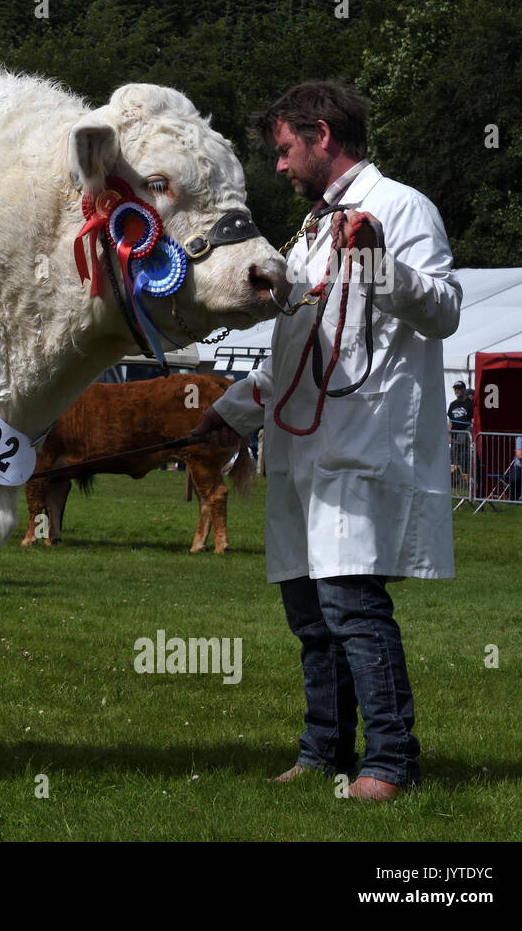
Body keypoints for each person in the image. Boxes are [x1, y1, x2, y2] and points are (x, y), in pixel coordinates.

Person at [192, 81, 461, 803]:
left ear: (321, 135)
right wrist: (233, 410)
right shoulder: (311, 229)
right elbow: (299, 355)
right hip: (304, 446)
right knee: (311, 616)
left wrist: (377, 259)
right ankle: (323, 752)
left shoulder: (400, 207)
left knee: (352, 606)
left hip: (362, 438)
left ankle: (392, 761)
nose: (280, 165)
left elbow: (444, 310)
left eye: (285, 149)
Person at [447, 380, 473, 477]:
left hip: (464, 434)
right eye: (455, 389)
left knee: (463, 457)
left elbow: (473, 420)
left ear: (464, 389)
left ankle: (465, 477)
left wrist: (470, 434)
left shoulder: (470, 403)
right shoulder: (452, 404)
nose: (457, 390)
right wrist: (449, 435)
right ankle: (456, 479)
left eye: (459, 388)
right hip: (454, 434)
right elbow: (450, 421)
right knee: (454, 457)